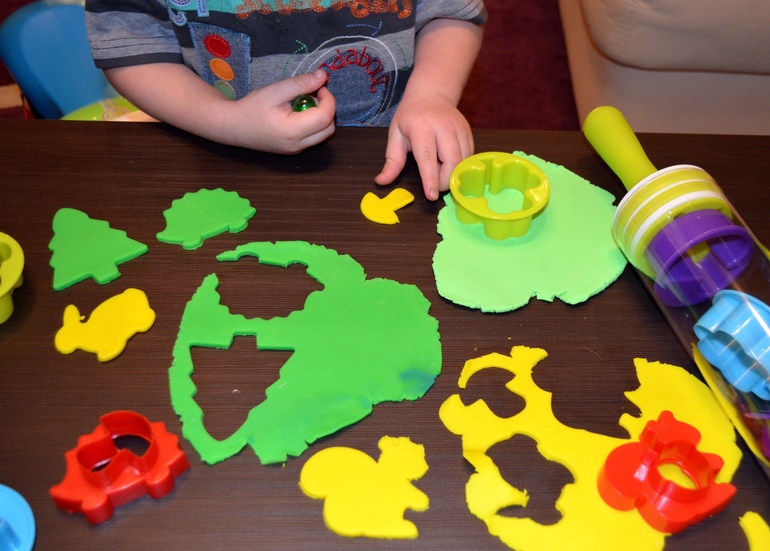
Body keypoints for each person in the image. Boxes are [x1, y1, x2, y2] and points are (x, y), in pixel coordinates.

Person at [85, 0, 486, 201]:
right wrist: (226, 121)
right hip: (222, 156)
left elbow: (451, 12)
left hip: (394, 151)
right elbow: (132, 46)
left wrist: (432, 94)